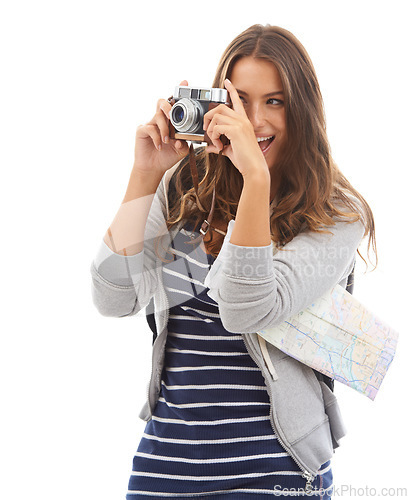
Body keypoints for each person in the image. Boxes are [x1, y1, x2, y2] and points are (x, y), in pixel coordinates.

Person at [90, 24, 377, 499]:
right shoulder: (187, 189)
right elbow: (112, 297)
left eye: (276, 101)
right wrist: (145, 174)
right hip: (166, 466)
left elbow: (245, 308)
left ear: (302, 110)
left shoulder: (333, 212)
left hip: (276, 473)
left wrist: (254, 181)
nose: (256, 120)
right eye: (241, 101)